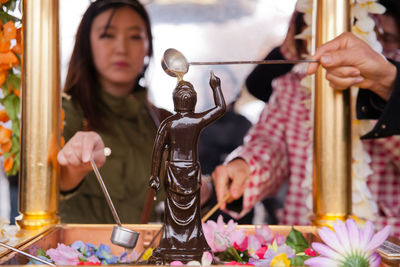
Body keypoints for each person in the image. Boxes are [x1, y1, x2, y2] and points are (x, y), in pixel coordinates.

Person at [212, 28, 400, 237]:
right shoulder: (291, 85)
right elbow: (270, 143)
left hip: (386, 239)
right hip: (302, 238)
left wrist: (387, 88)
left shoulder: (390, 71)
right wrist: (244, 167)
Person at [57, 0, 171, 224]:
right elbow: (46, 188)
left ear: (148, 46)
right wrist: (74, 168)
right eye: (107, 35)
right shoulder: (61, 112)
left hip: (148, 257)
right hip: (76, 257)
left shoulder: (164, 122)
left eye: (135, 36)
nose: (121, 48)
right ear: (86, 44)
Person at [148, 72, 225, 264]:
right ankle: (187, 248)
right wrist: (216, 87)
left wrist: (154, 175)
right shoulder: (196, 120)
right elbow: (220, 108)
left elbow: (157, 151)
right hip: (188, 173)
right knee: (187, 216)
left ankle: (176, 247)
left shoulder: (169, 123)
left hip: (176, 172)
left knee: (178, 216)